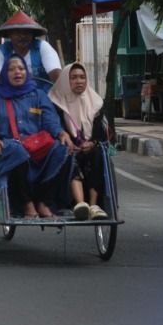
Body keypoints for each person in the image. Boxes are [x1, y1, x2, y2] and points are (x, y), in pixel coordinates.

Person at [0, 53, 75, 218]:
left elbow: (51, 122)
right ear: (5, 73)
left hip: (38, 149)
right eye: (11, 69)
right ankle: (27, 204)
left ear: (26, 72)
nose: (17, 72)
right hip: (10, 150)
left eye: (20, 68)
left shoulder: (38, 95)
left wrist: (61, 133)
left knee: (63, 147)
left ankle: (44, 202)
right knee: (17, 149)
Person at [48, 62, 109, 220]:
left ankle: (94, 205)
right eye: (73, 78)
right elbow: (52, 128)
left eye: (82, 77)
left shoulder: (94, 102)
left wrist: (92, 143)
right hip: (68, 148)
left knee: (98, 152)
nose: (79, 81)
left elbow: (101, 134)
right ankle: (80, 204)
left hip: (88, 148)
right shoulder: (55, 103)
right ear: (65, 82)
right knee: (66, 152)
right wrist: (69, 143)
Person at [0, 11, 62, 94]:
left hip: (44, 100)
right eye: (17, 32)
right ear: (10, 34)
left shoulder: (42, 48)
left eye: (27, 32)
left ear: (32, 34)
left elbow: (57, 76)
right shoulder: (0, 53)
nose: (22, 36)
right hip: (12, 100)